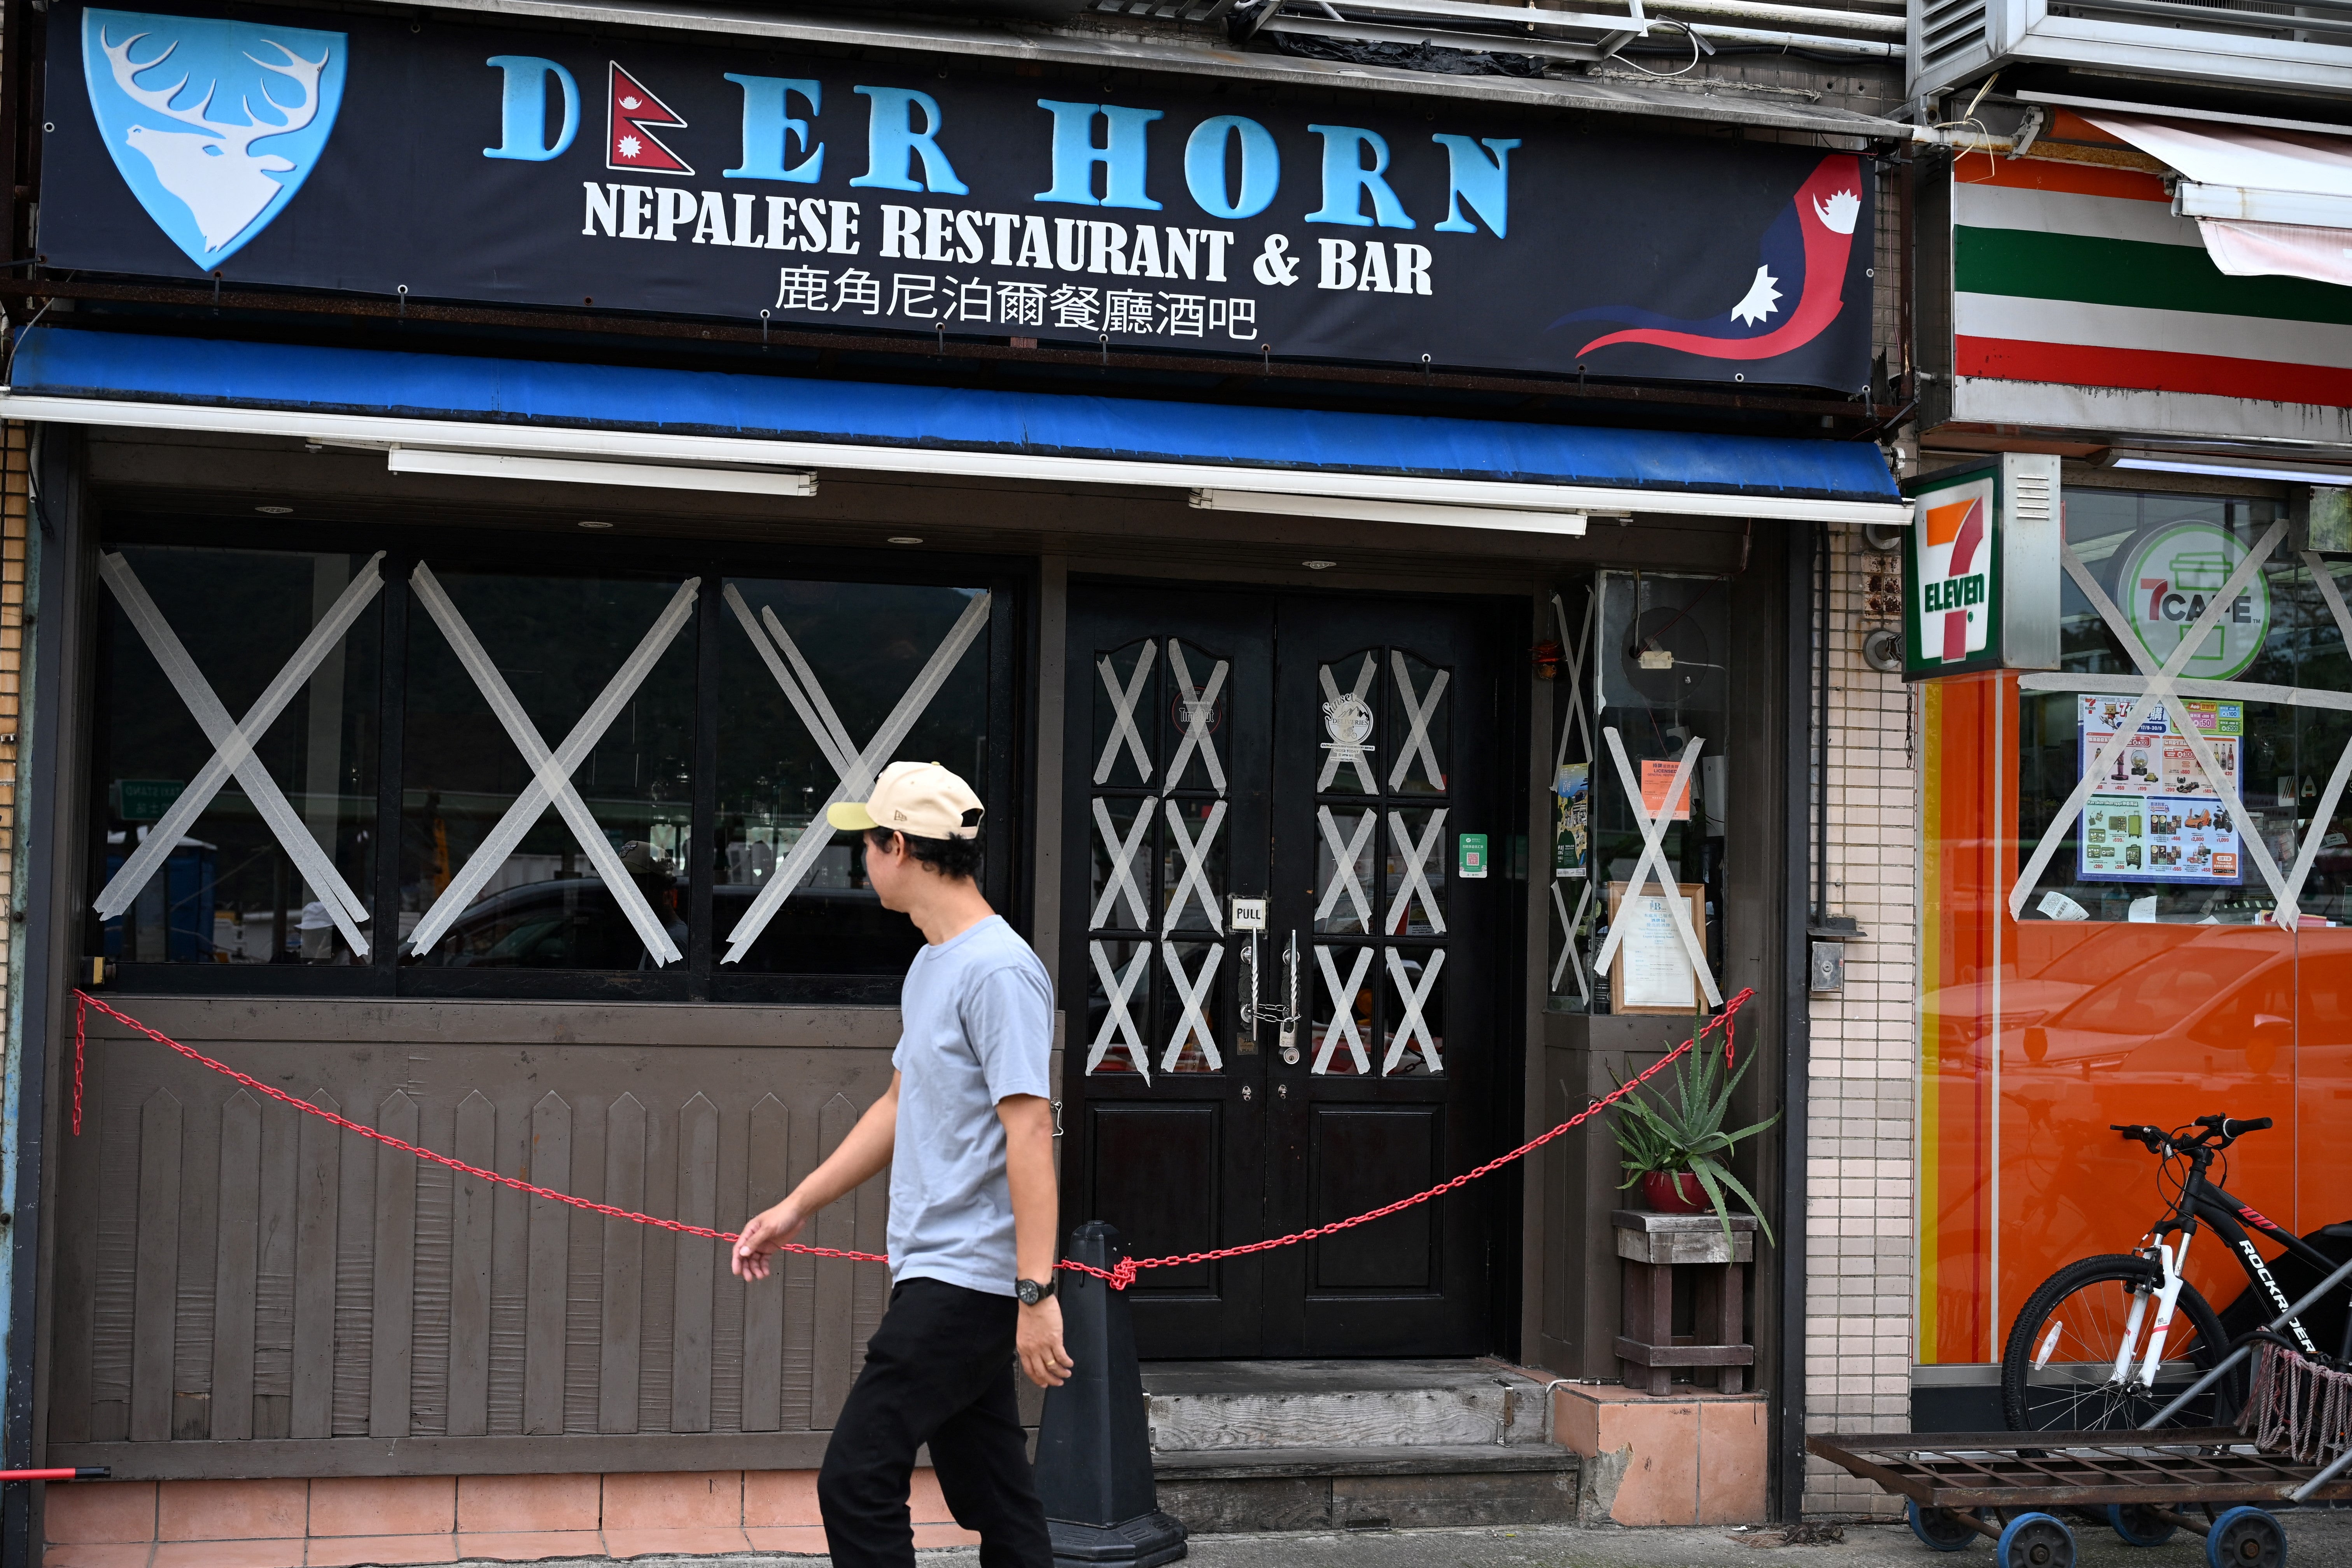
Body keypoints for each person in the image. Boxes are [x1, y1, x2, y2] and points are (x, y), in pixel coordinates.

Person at [732, 761, 1069, 1568]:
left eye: (867, 844)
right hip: (940, 1270)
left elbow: (1030, 1134)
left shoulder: (999, 971)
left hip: (970, 1279)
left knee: (856, 1478)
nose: (862, 862)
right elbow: (896, 1104)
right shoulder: (932, 964)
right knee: (995, 1495)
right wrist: (795, 1206)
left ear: (900, 848)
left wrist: (1036, 1294)